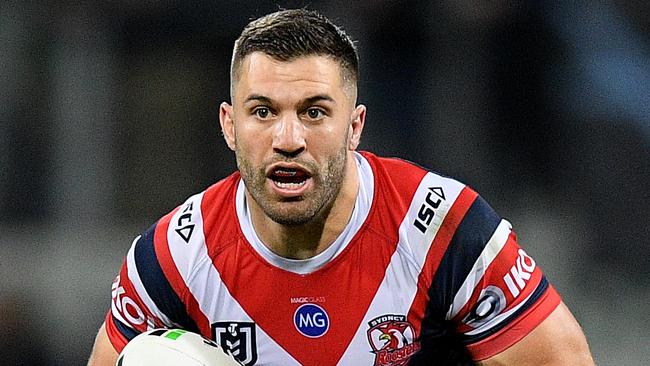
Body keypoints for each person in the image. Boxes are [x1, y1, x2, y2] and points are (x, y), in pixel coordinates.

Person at [87, 8, 594, 366]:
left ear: (355, 127)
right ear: (228, 125)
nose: (288, 139)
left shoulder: (443, 227)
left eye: (314, 112)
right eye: (262, 112)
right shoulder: (173, 256)